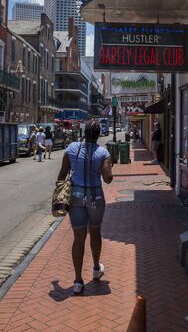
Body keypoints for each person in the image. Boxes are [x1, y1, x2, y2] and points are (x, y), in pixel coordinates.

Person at [57, 119, 113, 295]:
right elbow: (108, 178)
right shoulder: (103, 152)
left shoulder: (72, 148)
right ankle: (96, 268)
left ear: (84, 133)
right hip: (95, 197)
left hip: (75, 197)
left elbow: (61, 176)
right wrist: (110, 164)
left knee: (78, 238)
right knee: (95, 232)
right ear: (98, 135)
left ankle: (77, 281)